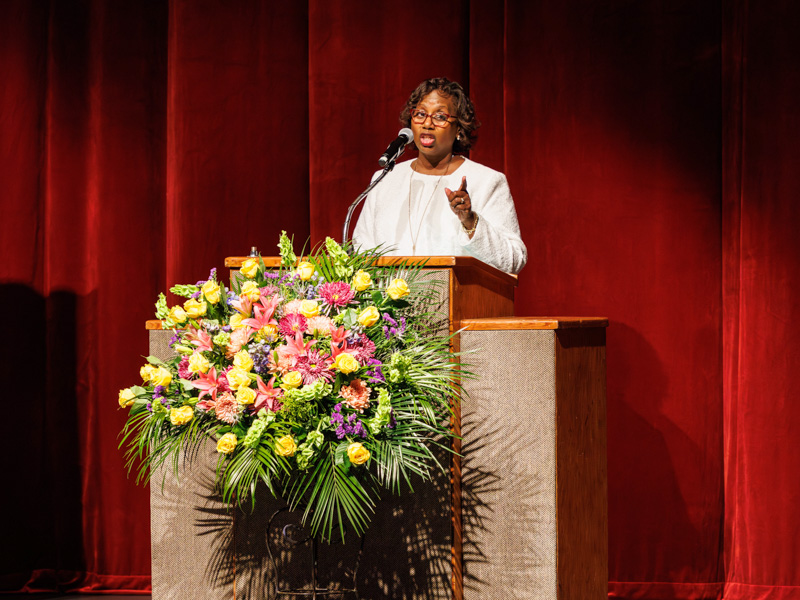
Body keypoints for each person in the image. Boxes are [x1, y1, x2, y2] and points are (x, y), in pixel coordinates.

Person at [352, 77, 527, 275]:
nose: (427, 123)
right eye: (420, 114)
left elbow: (513, 259)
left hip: (456, 295)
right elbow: (360, 252)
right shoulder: (385, 179)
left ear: (459, 128)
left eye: (440, 117)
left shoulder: (486, 181)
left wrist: (470, 221)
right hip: (388, 295)